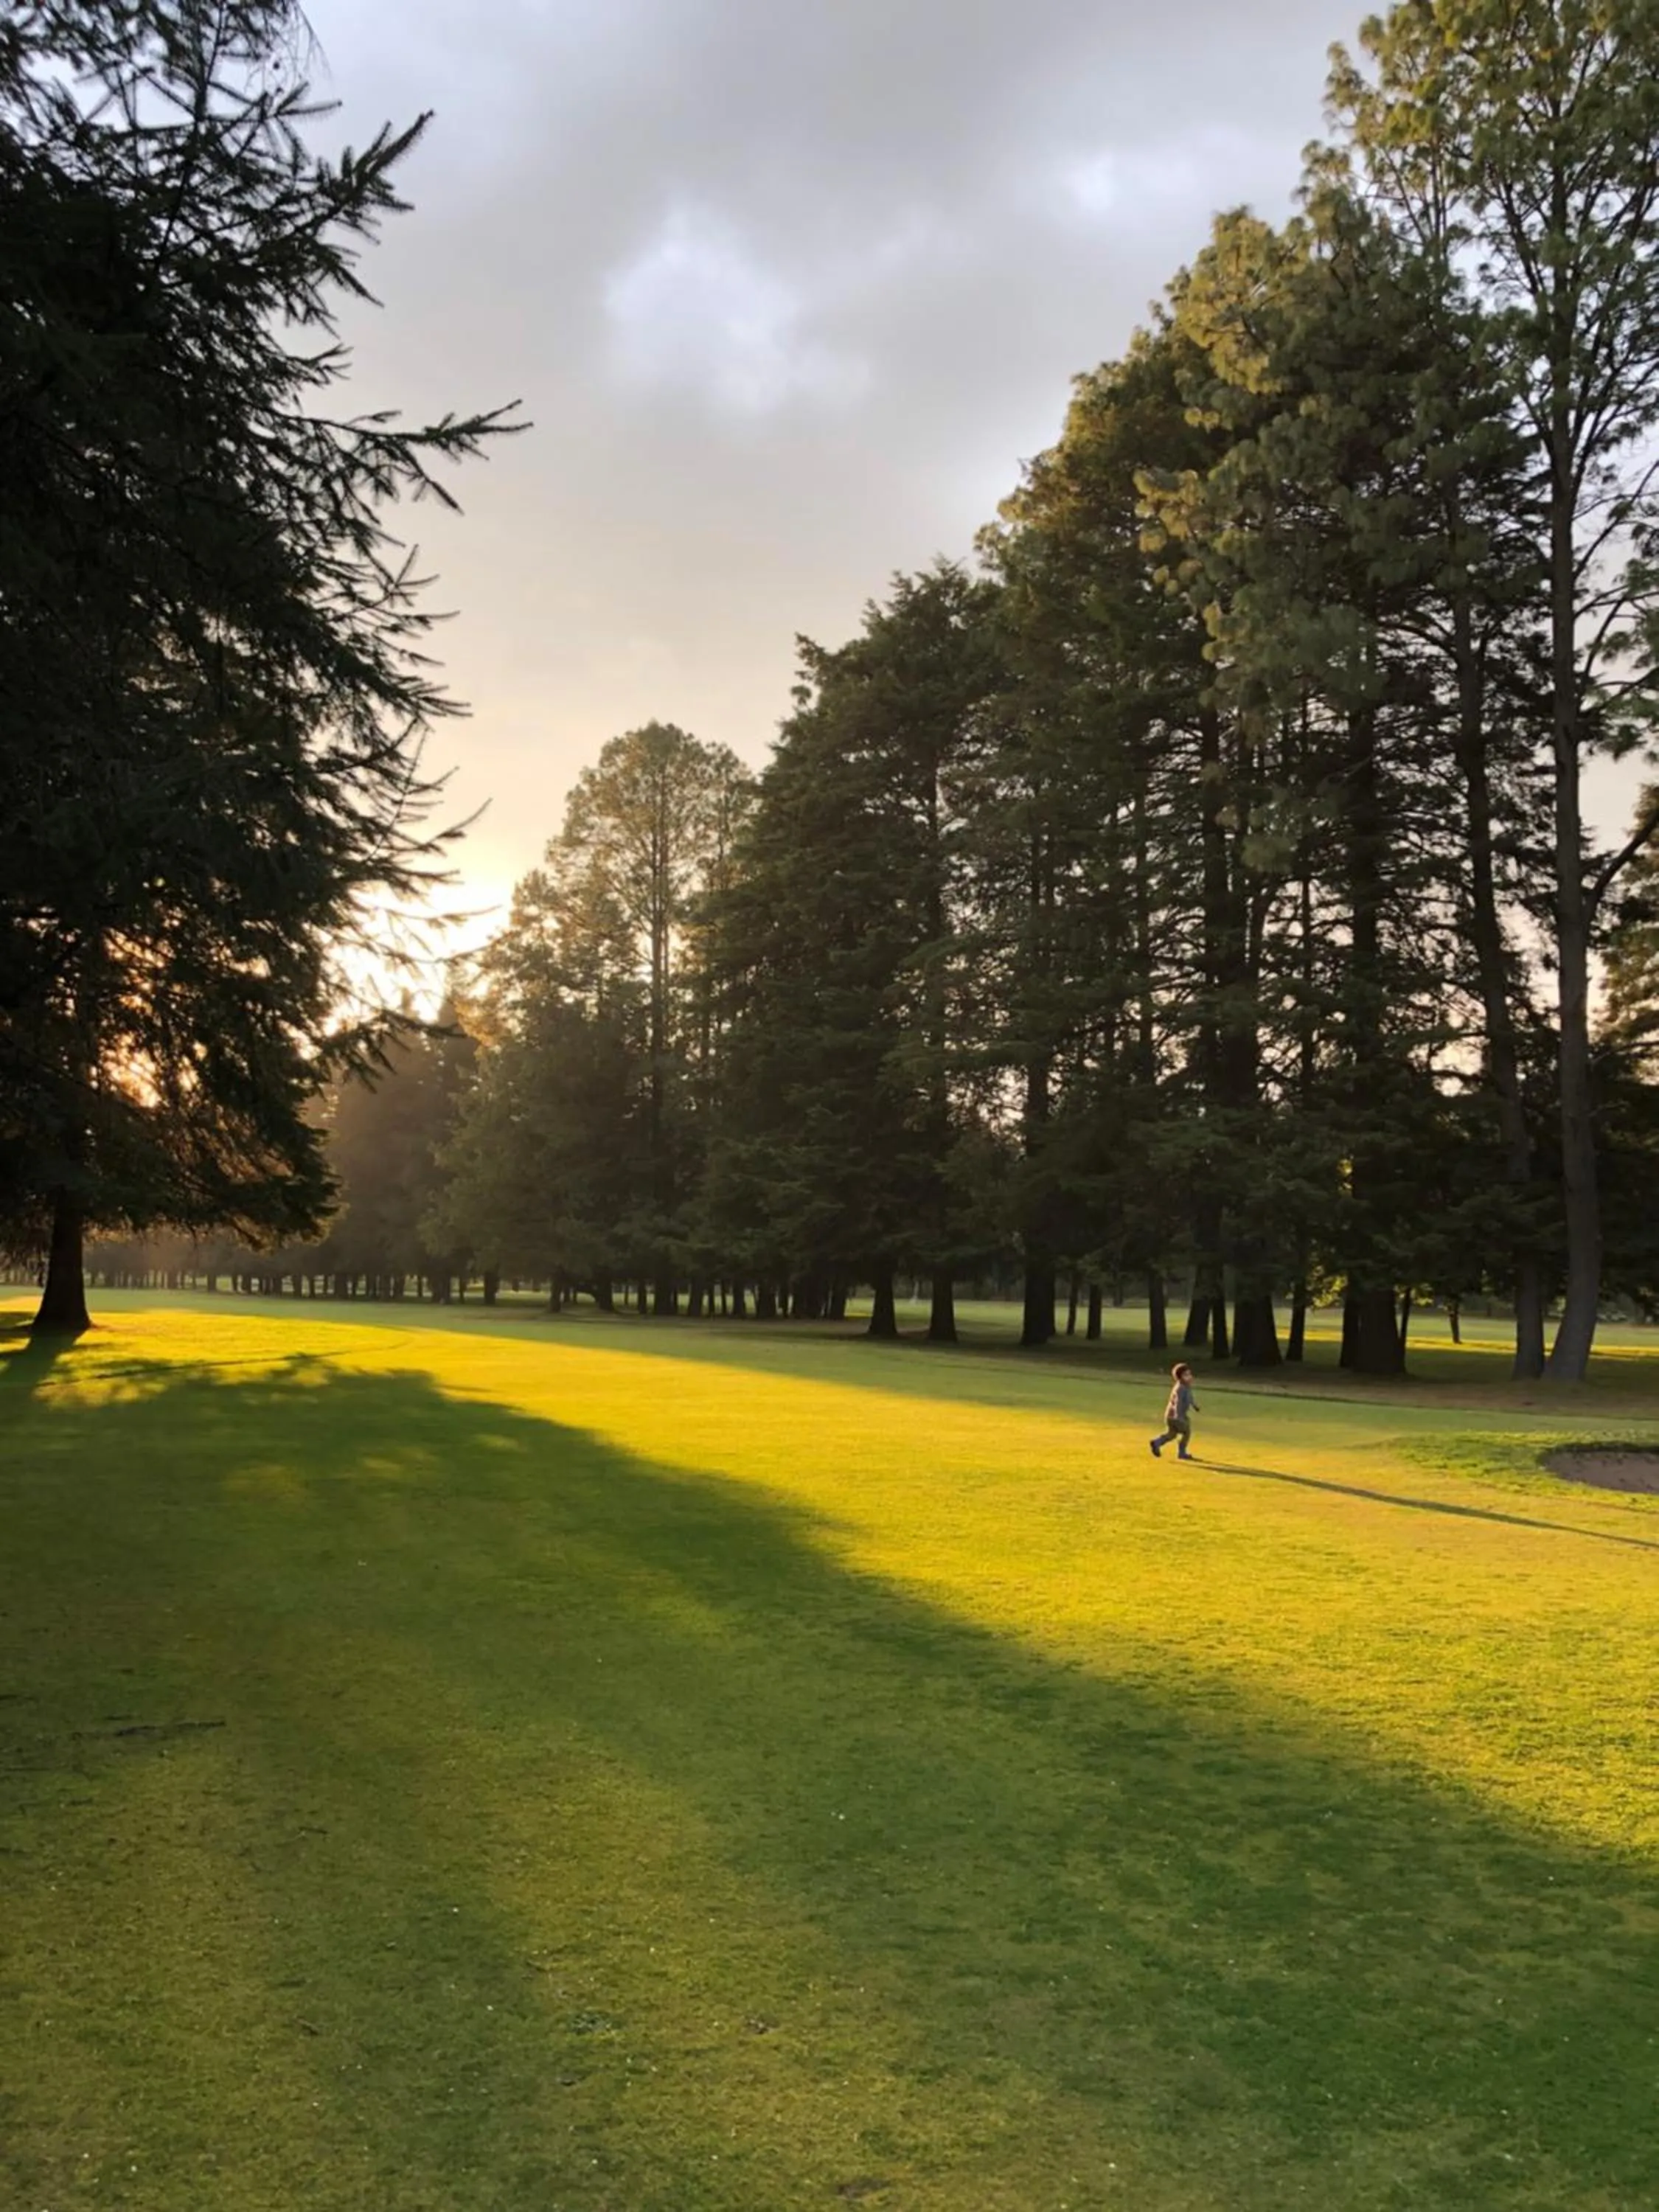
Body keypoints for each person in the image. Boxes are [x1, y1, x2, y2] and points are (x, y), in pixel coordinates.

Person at [1150, 1362, 1198, 1460]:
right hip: (1176, 1416)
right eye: (1186, 1375)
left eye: (1190, 1374)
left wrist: (1194, 1405)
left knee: (1172, 1434)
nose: (1189, 1377)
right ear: (1180, 1378)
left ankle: (1157, 1443)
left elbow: (1189, 1398)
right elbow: (1178, 1402)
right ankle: (1182, 1452)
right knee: (1187, 1432)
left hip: (1171, 1416)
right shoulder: (1180, 1388)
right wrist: (1178, 1414)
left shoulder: (1186, 1387)